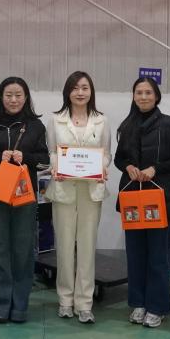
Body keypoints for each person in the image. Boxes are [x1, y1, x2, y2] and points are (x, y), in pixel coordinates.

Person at [0, 76, 49, 324]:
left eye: (18, 95)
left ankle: (20, 306)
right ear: (0, 97)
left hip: (25, 197)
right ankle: (0, 304)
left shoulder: (35, 126)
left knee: (23, 250)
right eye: (8, 95)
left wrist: (26, 157)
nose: (13, 100)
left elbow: (45, 161)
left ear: (26, 97)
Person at [113, 77, 170, 329]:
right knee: (135, 254)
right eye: (139, 93)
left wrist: (155, 169)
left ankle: (157, 306)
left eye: (148, 92)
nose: (143, 97)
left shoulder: (169, 124)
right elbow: (119, 159)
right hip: (133, 198)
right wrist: (128, 167)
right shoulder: (127, 125)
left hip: (158, 200)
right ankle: (138, 303)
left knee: (157, 255)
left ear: (156, 96)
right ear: (133, 96)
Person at [46, 71, 111, 324]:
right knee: (64, 247)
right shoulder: (56, 120)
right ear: (68, 92)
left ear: (91, 91)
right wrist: (55, 167)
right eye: (75, 88)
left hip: (91, 190)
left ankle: (84, 303)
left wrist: (102, 167)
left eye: (84, 88)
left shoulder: (101, 121)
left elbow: (106, 154)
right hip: (64, 188)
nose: (80, 92)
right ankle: (65, 300)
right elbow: (52, 152)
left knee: (86, 247)